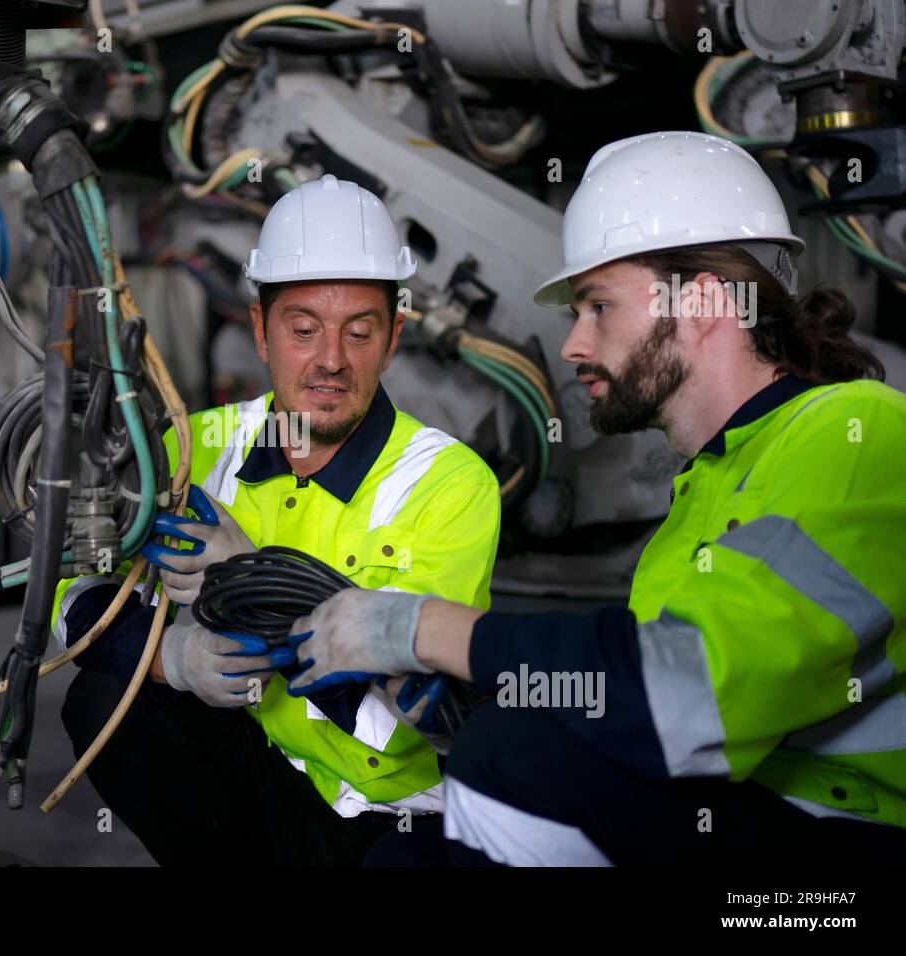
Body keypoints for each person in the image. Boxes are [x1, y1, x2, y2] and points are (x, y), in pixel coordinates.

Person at [284, 132, 906, 865]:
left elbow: (685, 697)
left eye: (598, 307)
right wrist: (490, 692)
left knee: (515, 753)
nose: (575, 344)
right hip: (742, 815)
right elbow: (633, 700)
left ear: (702, 299)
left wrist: (429, 629)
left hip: (836, 862)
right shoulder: (706, 486)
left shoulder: (854, 430)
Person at [53, 174, 502, 865]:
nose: (330, 360)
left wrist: (249, 582)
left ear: (393, 339)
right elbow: (74, 602)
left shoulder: (450, 484)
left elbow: (407, 718)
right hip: (245, 767)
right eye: (302, 329)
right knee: (104, 701)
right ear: (261, 331)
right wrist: (175, 660)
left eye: (360, 332)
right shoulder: (191, 447)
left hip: (373, 811)